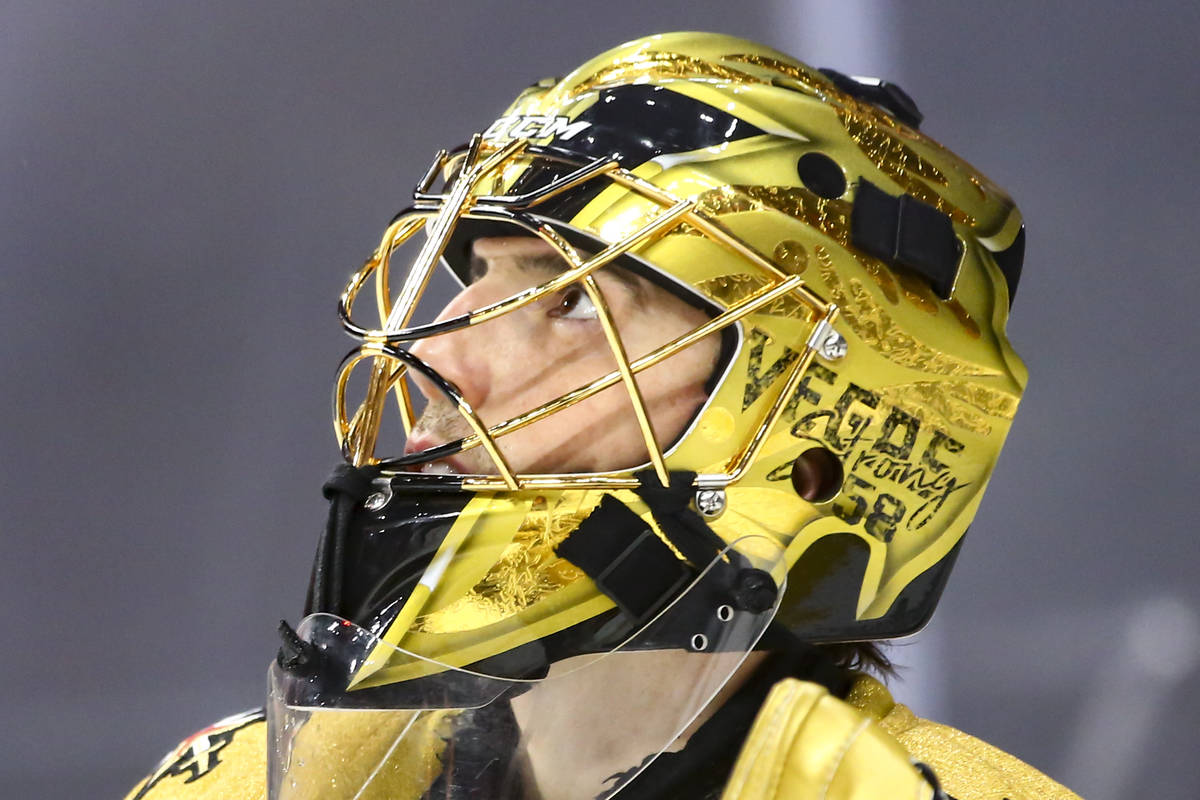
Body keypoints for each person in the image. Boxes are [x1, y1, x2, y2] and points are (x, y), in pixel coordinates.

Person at [125, 32, 1081, 800]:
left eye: (572, 300)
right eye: (478, 280)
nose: (437, 357)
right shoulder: (230, 785)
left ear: (814, 438)